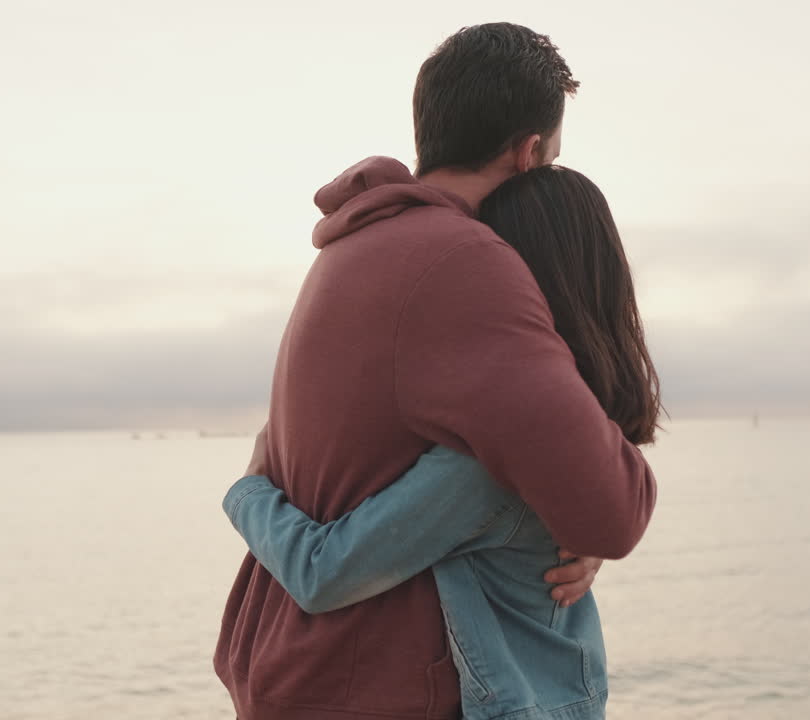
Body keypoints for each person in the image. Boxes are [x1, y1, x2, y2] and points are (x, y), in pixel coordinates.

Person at [213, 23, 657, 720]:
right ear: (529, 152)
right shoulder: (463, 261)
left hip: (303, 671)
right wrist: (584, 522)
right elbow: (615, 509)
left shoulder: (349, 251)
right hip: (378, 685)